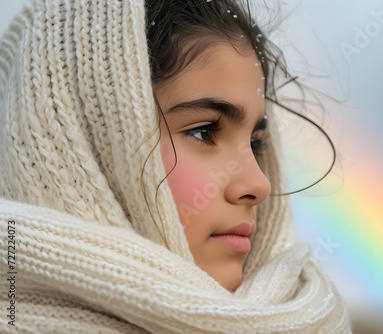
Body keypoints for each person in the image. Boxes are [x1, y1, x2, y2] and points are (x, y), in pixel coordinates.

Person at [0, 0, 352, 332]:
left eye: (256, 144)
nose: (259, 185)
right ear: (88, 145)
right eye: (204, 132)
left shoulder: (312, 317)